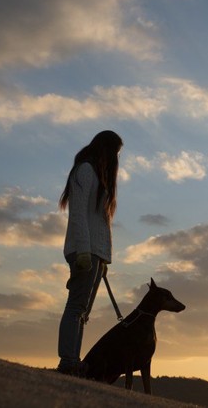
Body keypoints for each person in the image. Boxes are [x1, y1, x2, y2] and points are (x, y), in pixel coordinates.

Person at [56, 130, 123, 376]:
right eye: (115, 152)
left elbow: (99, 222)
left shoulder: (97, 175)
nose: (117, 159)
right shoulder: (85, 170)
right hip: (84, 251)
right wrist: (84, 251)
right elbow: (78, 215)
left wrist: (104, 258)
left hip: (94, 253)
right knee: (76, 307)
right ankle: (68, 361)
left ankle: (73, 360)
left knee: (82, 310)